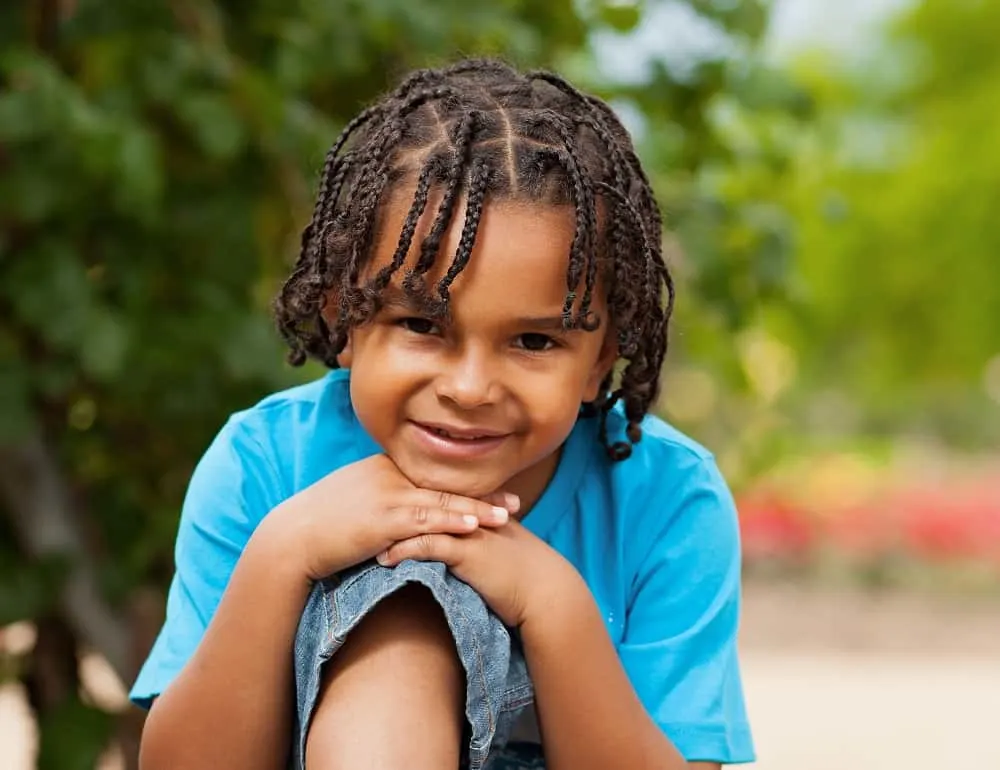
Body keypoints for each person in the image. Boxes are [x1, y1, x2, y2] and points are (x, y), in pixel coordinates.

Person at [130, 59, 755, 770]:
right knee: (400, 626)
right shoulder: (265, 465)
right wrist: (284, 555)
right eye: (423, 326)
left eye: (534, 340)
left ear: (599, 360)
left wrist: (553, 605)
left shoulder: (665, 499)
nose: (469, 386)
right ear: (345, 317)